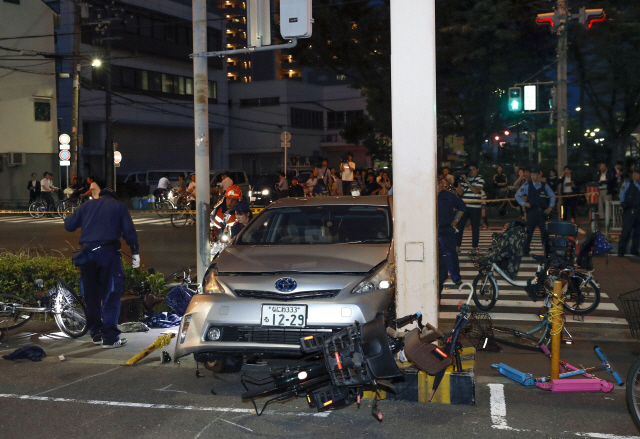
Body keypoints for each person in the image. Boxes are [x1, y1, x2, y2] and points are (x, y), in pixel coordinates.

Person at [64, 187, 139, 348]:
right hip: (108, 255)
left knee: (92, 297)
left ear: (101, 195)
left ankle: (96, 334)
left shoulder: (86, 206)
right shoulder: (119, 206)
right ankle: (110, 338)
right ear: (113, 197)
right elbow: (129, 232)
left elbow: (69, 225)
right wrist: (135, 252)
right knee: (111, 295)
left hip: (86, 256)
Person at [515, 166, 556, 256]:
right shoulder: (526, 185)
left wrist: (550, 207)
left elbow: (553, 196)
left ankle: (547, 251)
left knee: (544, 234)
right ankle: (525, 251)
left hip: (542, 213)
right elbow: (517, 196)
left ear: (539, 175)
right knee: (528, 233)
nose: (533, 176)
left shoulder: (544, 185)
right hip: (531, 212)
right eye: (532, 174)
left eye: (535, 175)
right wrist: (524, 203)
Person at [438, 177, 466, 290]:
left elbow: (462, 206)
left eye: (439, 183)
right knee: (436, 256)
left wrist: (455, 221)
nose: (438, 185)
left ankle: (456, 277)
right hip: (430, 230)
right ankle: (440, 277)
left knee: (451, 254)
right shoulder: (425, 195)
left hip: (446, 229)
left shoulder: (448, 196)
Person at [456, 163, 484, 255]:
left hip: (475, 207)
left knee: (475, 228)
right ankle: (457, 247)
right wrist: (459, 182)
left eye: (473, 169)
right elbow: (460, 193)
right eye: (469, 169)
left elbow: (476, 191)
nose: (471, 171)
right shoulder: (465, 179)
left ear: (477, 170)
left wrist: (467, 181)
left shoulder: (480, 179)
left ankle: (474, 248)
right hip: (464, 207)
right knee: (459, 227)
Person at [618, 166, 640, 257]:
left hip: (639, 211)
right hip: (630, 210)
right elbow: (621, 194)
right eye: (633, 174)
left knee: (638, 232)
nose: (634, 176)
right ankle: (621, 250)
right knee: (626, 231)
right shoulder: (627, 184)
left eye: (636, 174)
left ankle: (634, 250)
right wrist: (623, 203)